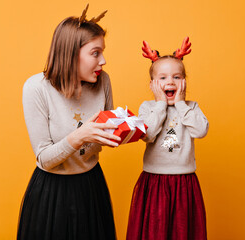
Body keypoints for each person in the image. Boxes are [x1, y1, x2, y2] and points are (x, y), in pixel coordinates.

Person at [17, 5, 120, 240]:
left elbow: (105, 134)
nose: (103, 61)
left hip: (91, 187)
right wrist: (80, 135)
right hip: (51, 193)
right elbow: (44, 158)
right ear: (71, 53)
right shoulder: (36, 88)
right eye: (95, 53)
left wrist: (127, 130)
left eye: (102, 52)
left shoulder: (103, 81)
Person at [126, 37, 209, 240]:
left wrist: (180, 104)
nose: (170, 82)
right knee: (155, 232)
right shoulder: (148, 108)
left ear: (184, 81)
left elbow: (200, 130)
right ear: (152, 84)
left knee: (182, 232)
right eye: (162, 78)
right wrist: (161, 104)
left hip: (184, 183)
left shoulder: (191, 107)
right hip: (154, 183)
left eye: (177, 77)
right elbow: (148, 134)